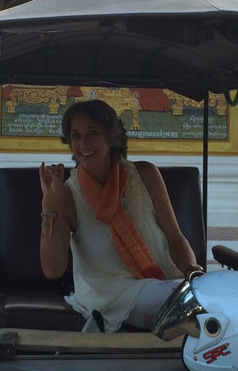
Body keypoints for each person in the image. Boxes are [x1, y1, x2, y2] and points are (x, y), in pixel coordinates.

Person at [39, 100, 201, 333]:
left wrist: (194, 273)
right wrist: (49, 203)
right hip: (110, 295)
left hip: (164, 282)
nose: (83, 144)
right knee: (193, 299)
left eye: (92, 133)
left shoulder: (145, 174)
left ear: (110, 137)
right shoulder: (67, 194)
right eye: (76, 136)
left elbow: (176, 239)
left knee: (210, 293)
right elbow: (52, 270)